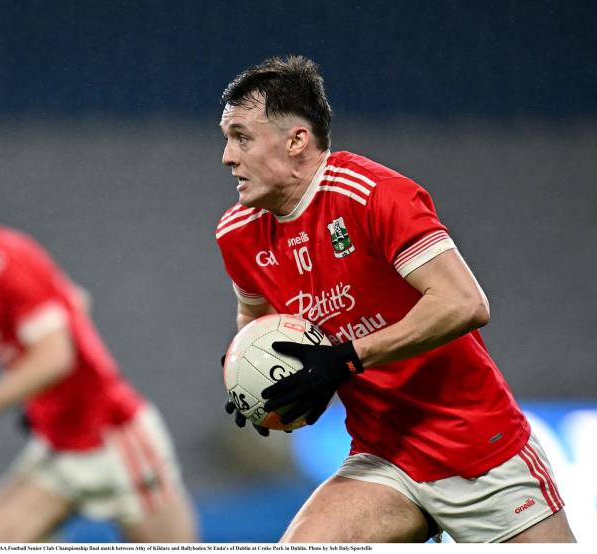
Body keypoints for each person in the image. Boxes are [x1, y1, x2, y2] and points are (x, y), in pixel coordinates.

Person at [215, 55, 576, 543]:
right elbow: (256, 320)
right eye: (227, 139)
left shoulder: (373, 194)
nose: (228, 157)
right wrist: (254, 376)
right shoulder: (238, 233)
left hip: (478, 449)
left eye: (242, 137)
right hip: (383, 458)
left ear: (296, 140)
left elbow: (464, 303)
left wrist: (345, 359)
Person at [0, 151, 197, 542]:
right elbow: (75, 303)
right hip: (61, 442)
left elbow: (56, 356)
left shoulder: (7, 261)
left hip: (113, 437)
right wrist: (42, 399)